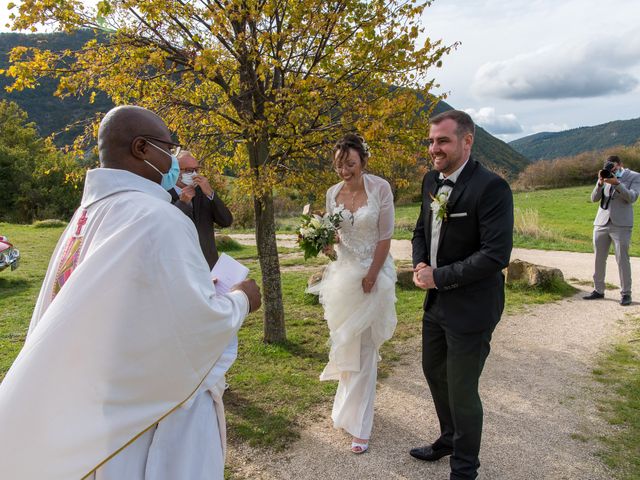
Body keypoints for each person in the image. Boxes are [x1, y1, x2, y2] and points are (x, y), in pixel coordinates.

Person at [0, 105, 261, 480]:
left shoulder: (87, 214)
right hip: (146, 412)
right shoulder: (156, 218)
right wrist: (241, 299)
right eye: (168, 149)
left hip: (97, 392)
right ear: (141, 148)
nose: (173, 160)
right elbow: (195, 326)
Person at [411, 110, 513, 480]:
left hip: (472, 306)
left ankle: (465, 468)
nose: (434, 148)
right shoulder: (428, 181)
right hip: (436, 302)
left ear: (467, 141)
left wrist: (439, 276)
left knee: (462, 387)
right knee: (433, 371)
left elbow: (495, 255)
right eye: (431, 141)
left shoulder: (491, 187)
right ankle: (450, 438)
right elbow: (420, 231)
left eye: (443, 140)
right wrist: (420, 264)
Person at [316, 133, 397, 454]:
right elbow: (336, 236)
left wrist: (373, 275)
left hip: (374, 274)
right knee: (346, 343)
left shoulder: (380, 189)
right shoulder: (331, 193)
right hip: (343, 278)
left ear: (363, 160)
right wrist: (324, 243)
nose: (344, 170)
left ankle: (361, 425)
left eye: (350, 164)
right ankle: (346, 411)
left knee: (364, 349)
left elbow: (385, 238)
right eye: (339, 165)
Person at [583, 155, 640, 306]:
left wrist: (617, 184)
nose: (612, 169)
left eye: (614, 166)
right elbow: (594, 198)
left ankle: (626, 293)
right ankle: (598, 290)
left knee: (622, 259)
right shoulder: (605, 174)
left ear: (620, 164)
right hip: (601, 223)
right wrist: (600, 183)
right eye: (610, 167)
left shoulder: (634, 176)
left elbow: (632, 197)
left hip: (621, 224)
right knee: (598, 259)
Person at [170, 150, 233, 269]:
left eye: (196, 170)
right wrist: (182, 203)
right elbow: (167, 228)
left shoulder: (203, 192)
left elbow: (226, 221)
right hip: (181, 268)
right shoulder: (164, 193)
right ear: (175, 171)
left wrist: (210, 194)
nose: (194, 174)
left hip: (208, 267)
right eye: (189, 170)